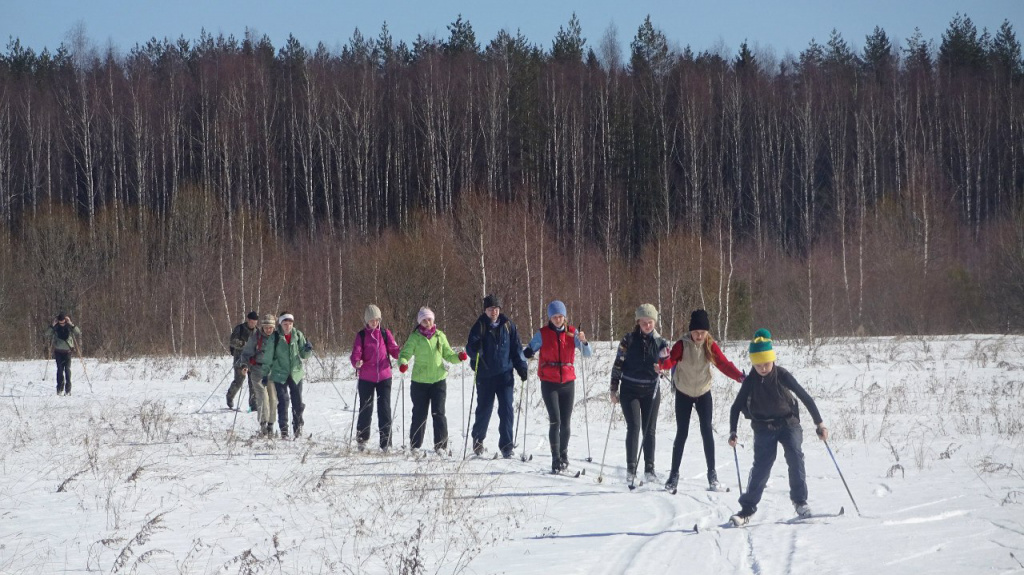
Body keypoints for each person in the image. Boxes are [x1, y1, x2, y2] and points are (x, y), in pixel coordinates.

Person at [728, 329, 829, 526]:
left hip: (788, 422)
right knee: (762, 465)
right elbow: (735, 407)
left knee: (795, 455)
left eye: (766, 363)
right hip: (763, 427)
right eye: (758, 365)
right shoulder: (750, 381)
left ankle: (800, 502)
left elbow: (805, 397)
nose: (763, 368)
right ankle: (746, 510)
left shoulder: (782, 375)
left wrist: (820, 424)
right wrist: (733, 431)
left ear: (772, 359)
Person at [658, 309, 745, 492]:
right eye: (696, 332)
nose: (699, 336)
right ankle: (673, 475)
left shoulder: (710, 345)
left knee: (706, 431)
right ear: (691, 330)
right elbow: (669, 362)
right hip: (683, 392)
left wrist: (739, 377)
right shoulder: (682, 345)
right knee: (682, 433)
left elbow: (723, 364)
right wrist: (662, 362)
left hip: (703, 393)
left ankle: (712, 475)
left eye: (703, 332)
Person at [523, 300, 592, 473]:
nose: (558, 319)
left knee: (566, 422)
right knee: (555, 420)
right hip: (549, 382)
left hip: (568, 382)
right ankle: (555, 458)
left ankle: (564, 455)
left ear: (565, 317)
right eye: (554, 317)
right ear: (550, 318)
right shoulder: (543, 334)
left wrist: (584, 342)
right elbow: (528, 351)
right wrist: (528, 352)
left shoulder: (573, 333)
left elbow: (587, 354)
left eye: (560, 316)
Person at [610, 304, 670, 484]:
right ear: (638, 322)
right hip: (630, 390)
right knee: (634, 427)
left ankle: (649, 470)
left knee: (649, 430)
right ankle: (631, 469)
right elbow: (618, 364)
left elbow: (668, 363)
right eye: (644, 322)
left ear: (655, 322)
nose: (647, 325)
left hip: (651, 391)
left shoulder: (661, 342)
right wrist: (613, 389)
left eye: (650, 322)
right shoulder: (628, 339)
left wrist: (662, 368)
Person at [466, 294, 529, 458]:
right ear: (485, 310)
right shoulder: (479, 326)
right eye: (490, 309)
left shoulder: (509, 326)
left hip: (505, 375)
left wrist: (521, 367)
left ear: (500, 309)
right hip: (485, 376)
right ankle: (478, 439)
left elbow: (516, 350)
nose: (493, 311)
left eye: (496, 308)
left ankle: (507, 446)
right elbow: (470, 348)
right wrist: (476, 349)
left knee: (507, 410)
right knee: (484, 410)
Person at [398, 307, 466, 454]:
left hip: (438, 381)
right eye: (424, 320)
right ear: (420, 322)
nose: (427, 322)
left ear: (433, 320)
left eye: (429, 319)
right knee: (419, 414)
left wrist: (458, 357)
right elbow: (405, 354)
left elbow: (448, 354)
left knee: (439, 413)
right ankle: (415, 446)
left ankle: (441, 446)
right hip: (419, 382)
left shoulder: (440, 336)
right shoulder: (415, 337)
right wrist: (403, 363)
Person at [350, 304, 401, 452]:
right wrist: (357, 362)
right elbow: (356, 352)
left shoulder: (385, 333)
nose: (375, 322)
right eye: (372, 320)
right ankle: (362, 440)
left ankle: (386, 444)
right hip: (366, 377)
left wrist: (401, 354)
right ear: (367, 320)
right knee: (366, 409)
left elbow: (393, 349)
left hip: (384, 376)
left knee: (384, 409)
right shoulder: (361, 335)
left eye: (377, 319)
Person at [262, 312, 312, 440]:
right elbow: (268, 357)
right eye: (285, 323)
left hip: (295, 373)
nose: (288, 326)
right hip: (280, 373)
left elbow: (303, 355)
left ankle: (297, 428)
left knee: (297, 402)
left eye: (290, 323)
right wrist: (265, 373)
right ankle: (284, 430)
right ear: (280, 324)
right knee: (283, 401)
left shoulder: (298, 335)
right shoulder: (275, 337)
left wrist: (308, 349)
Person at [237, 314, 280, 438]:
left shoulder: (277, 338)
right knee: (263, 398)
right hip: (257, 371)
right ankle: (263, 424)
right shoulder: (256, 337)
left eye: (270, 327)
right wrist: (244, 365)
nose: (268, 330)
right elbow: (246, 353)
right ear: (262, 327)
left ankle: (271, 425)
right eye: (266, 327)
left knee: (273, 399)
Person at [228, 311, 260, 411]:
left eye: (255, 322)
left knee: (253, 382)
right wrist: (244, 344)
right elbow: (232, 341)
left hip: (252, 360)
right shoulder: (240, 328)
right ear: (248, 320)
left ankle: (253, 404)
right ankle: (230, 396)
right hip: (240, 359)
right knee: (239, 381)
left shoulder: (257, 331)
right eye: (251, 321)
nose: (253, 323)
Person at [44, 312, 82, 396]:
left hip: (67, 352)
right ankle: (60, 389)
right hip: (58, 352)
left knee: (67, 370)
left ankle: (68, 390)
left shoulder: (69, 327)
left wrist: (71, 324)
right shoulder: (56, 327)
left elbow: (78, 332)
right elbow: (47, 333)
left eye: (63, 322)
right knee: (60, 370)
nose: (62, 324)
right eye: (60, 322)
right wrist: (52, 325)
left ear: (65, 320)